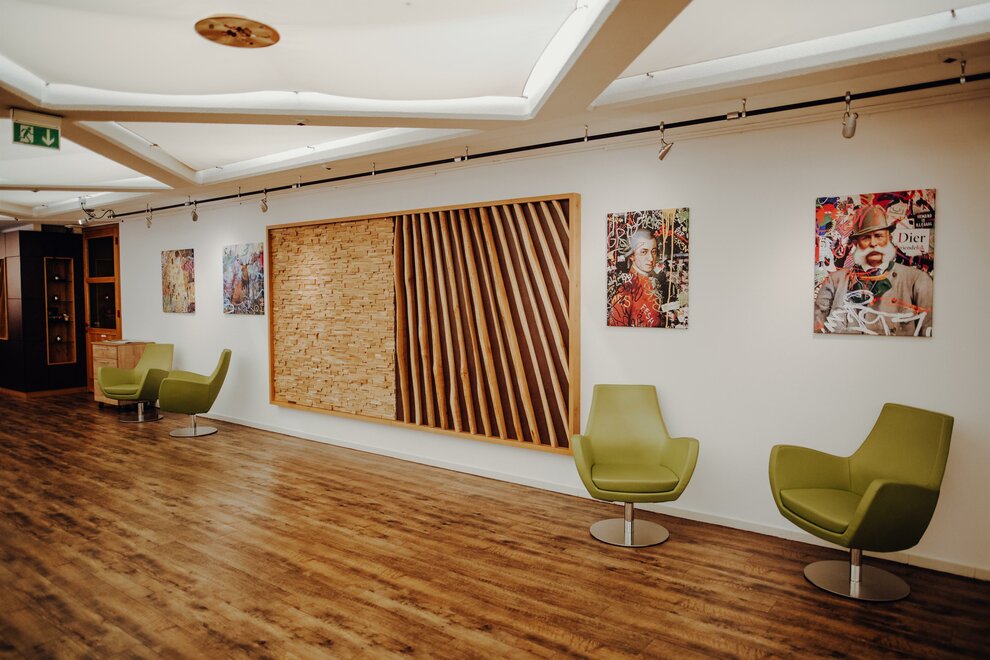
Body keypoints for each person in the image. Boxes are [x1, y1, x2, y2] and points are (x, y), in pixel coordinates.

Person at [814, 205, 933, 336]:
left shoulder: (917, 280)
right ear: (856, 244)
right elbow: (817, 329)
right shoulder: (834, 281)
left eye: (878, 236)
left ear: (889, 239)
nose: (873, 243)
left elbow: (928, 332)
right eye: (866, 237)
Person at [608, 228, 672, 327]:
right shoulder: (624, 294)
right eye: (643, 252)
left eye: (653, 252)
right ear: (632, 255)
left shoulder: (654, 282)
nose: (651, 258)